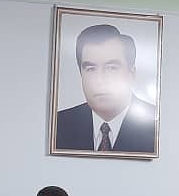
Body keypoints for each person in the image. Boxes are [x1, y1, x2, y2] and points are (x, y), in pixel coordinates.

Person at [54, 24, 156, 153]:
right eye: (91, 69)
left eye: (112, 68)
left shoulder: (157, 124)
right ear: (81, 74)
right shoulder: (58, 124)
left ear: (131, 73)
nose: (100, 80)